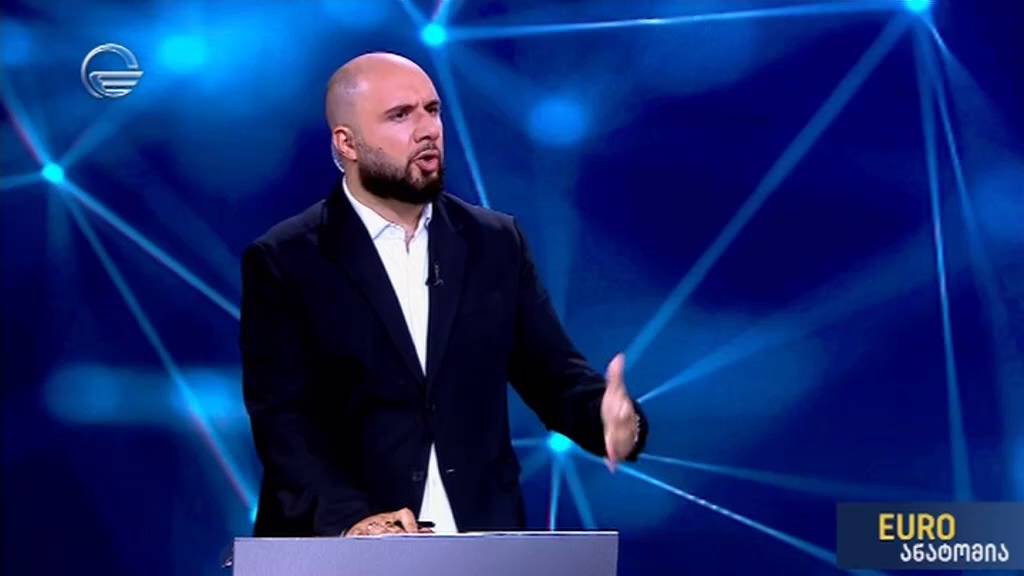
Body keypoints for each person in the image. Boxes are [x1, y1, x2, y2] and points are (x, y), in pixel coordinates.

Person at [240, 52, 648, 538]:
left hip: (477, 541)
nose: (427, 130)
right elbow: (285, 423)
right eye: (400, 115)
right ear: (347, 143)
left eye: (432, 110)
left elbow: (552, 376)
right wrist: (351, 521)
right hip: (347, 546)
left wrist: (611, 421)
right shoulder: (286, 259)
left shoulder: (493, 242)